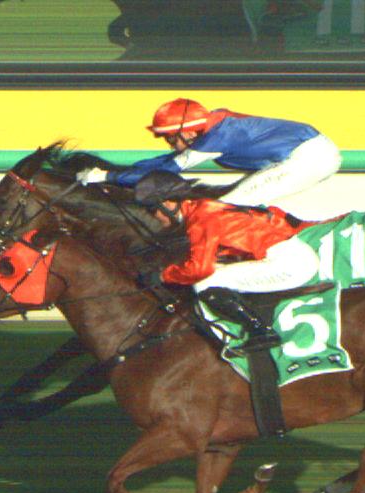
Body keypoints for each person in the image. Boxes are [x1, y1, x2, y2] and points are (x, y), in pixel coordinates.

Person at [94, 99, 347, 357]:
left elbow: (170, 167)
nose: (171, 145)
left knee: (228, 207)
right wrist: (116, 172)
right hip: (308, 153)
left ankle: (258, 328)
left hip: (309, 158)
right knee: (234, 205)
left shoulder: (218, 137)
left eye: (171, 138)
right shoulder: (211, 131)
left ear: (188, 131)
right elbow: (166, 161)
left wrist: (106, 177)